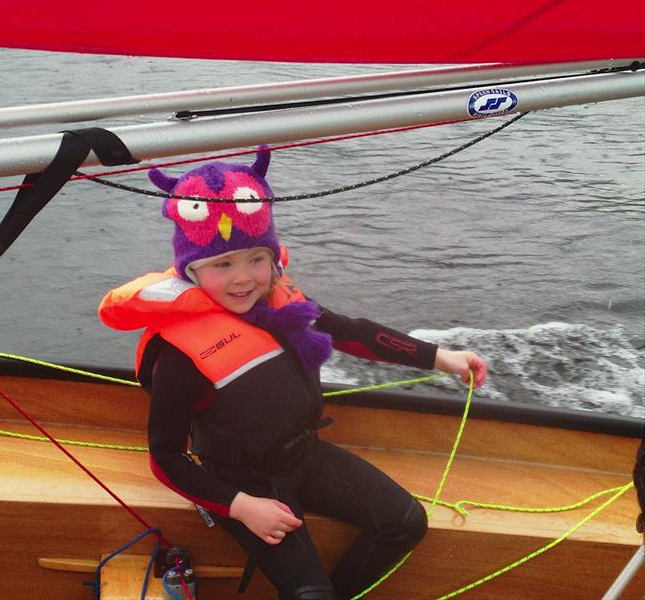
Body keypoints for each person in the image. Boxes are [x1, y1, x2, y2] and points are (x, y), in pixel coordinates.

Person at [99, 148, 487, 600]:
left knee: (405, 523)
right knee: (308, 590)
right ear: (192, 270)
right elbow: (166, 458)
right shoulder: (181, 354)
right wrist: (243, 508)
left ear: (272, 258)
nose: (243, 278)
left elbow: (353, 333)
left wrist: (441, 357)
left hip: (305, 455)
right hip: (241, 482)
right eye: (223, 265)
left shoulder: (280, 303)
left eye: (255, 259)